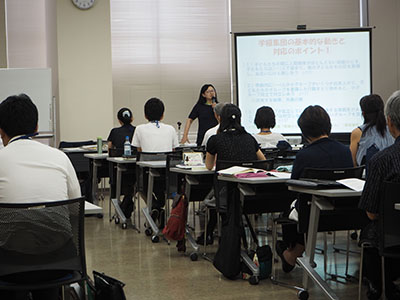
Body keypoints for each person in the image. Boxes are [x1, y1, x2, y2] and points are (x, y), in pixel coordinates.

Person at [0, 94, 81, 300]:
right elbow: (74, 205)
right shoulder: (60, 157)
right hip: (59, 263)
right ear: (36, 127)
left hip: (9, 267)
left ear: (1, 132)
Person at [276, 105, 353, 273]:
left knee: (289, 207)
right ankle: (293, 252)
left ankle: (292, 252)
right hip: (346, 214)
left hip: (311, 216)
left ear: (304, 130)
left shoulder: (304, 155)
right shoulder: (345, 151)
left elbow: (293, 185)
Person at [198, 104, 265, 245]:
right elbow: (263, 162)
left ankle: (212, 233)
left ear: (221, 119)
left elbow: (209, 166)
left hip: (225, 195)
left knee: (209, 198)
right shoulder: (249, 138)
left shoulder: (216, 140)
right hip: (250, 195)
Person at [358, 90, 400, 300]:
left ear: (390, 122)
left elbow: (372, 213)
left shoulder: (380, 161)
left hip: (392, 236)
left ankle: (378, 288)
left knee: (371, 229)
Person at [132, 97, 178, 227]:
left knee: (141, 186)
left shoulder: (140, 129)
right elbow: (173, 152)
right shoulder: (170, 129)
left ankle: (155, 208)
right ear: (163, 114)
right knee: (161, 188)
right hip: (168, 176)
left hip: (147, 176)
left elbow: (139, 152)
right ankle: (158, 208)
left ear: (145, 115)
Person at [350, 94, 394, 166]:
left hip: (366, 175)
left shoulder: (358, 132)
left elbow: (352, 162)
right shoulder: (392, 128)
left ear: (363, 113)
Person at [107, 107, 136, 218]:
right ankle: (128, 199)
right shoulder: (137, 130)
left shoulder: (114, 132)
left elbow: (110, 149)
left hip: (118, 173)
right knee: (135, 184)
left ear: (119, 120)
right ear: (132, 118)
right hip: (135, 173)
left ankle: (125, 203)